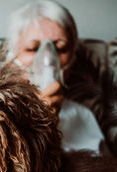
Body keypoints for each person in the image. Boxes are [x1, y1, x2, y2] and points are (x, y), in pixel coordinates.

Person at [7, 0, 108, 155]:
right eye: (33, 48)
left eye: (60, 48)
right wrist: (39, 126)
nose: (48, 59)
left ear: (72, 58)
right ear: (12, 60)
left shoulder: (83, 116)